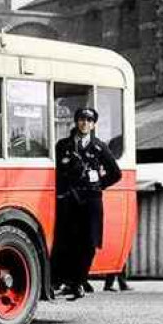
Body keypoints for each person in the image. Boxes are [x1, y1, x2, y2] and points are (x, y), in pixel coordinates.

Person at [51, 107, 121, 300]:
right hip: (69, 200)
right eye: (82, 119)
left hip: (91, 200)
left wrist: (99, 185)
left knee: (88, 243)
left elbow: (116, 173)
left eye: (89, 120)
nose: (85, 123)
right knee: (66, 241)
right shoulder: (63, 146)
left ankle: (79, 282)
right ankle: (62, 280)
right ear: (76, 122)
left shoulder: (99, 147)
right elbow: (55, 173)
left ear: (93, 124)